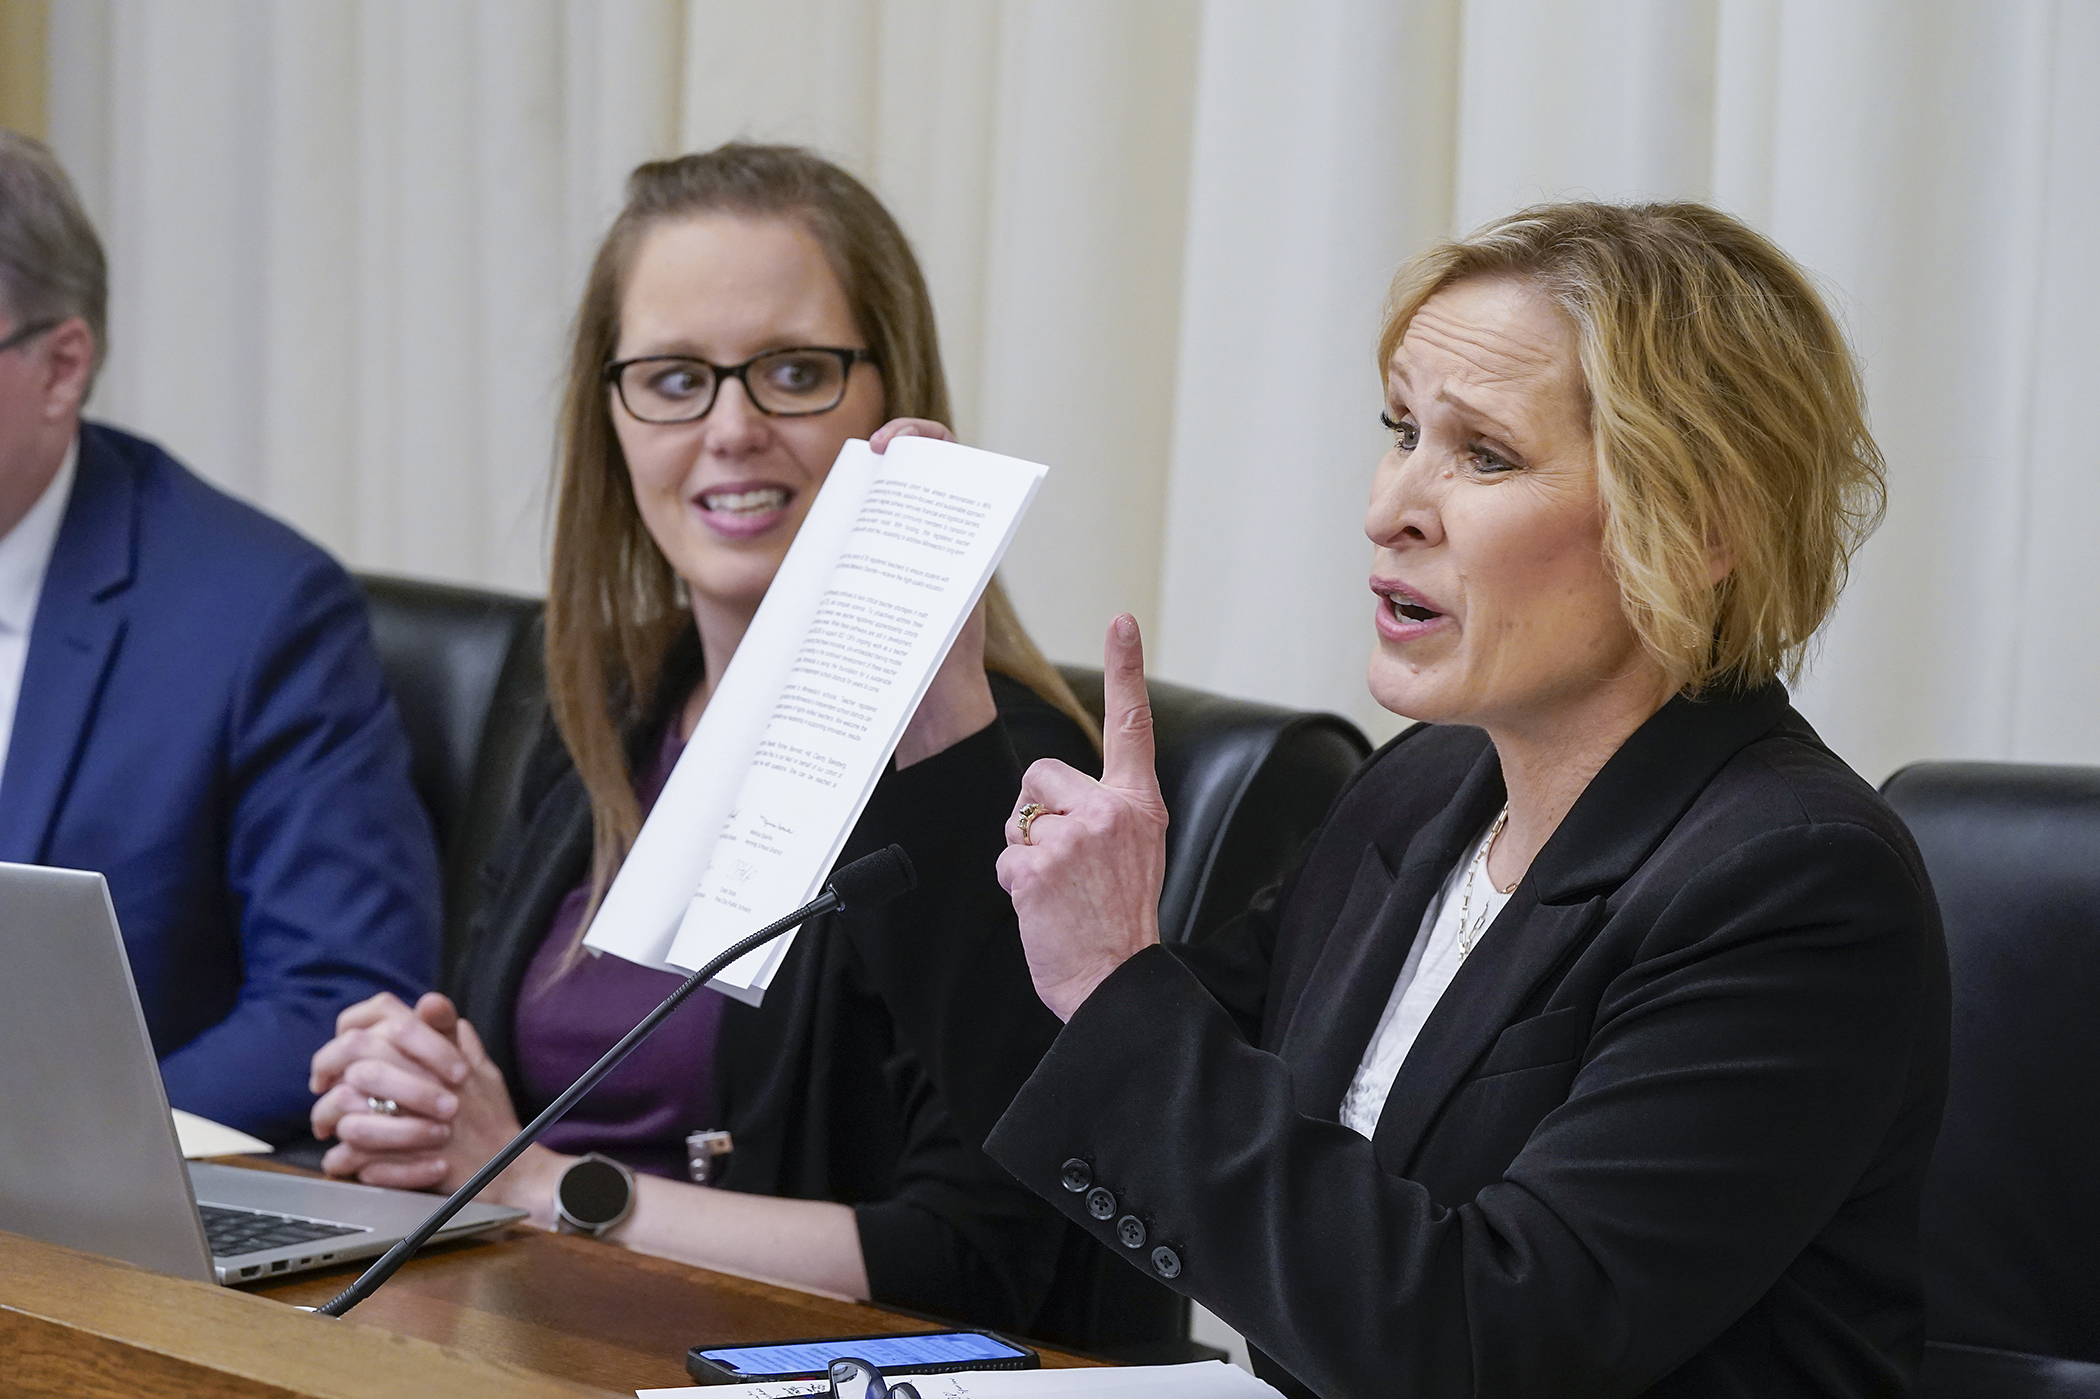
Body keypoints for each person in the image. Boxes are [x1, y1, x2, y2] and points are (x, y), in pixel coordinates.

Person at [981, 202, 1948, 1397]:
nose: (1392, 507)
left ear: (1702, 526)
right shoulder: (1424, 787)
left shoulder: (1794, 881)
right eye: (1402, 431)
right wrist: (942, 739)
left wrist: (1119, 983)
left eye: (1483, 455)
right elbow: (1087, 1086)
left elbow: (1488, 1346)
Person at [307, 145, 1100, 1332]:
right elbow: (504, 1114)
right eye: (675, 380)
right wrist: (421, 1092)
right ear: (612, 415)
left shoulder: (1000, 774)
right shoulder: (600, 707)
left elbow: (976, 1254)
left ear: (895, 399)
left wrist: (533, 1185)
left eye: (793, 371)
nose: (731, 429)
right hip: (515, 1322)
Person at [0, 130, 440, 1141]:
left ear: (62, 366)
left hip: (92, 1237)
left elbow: (336, 996)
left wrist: (61, 1149)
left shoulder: (257, 617)